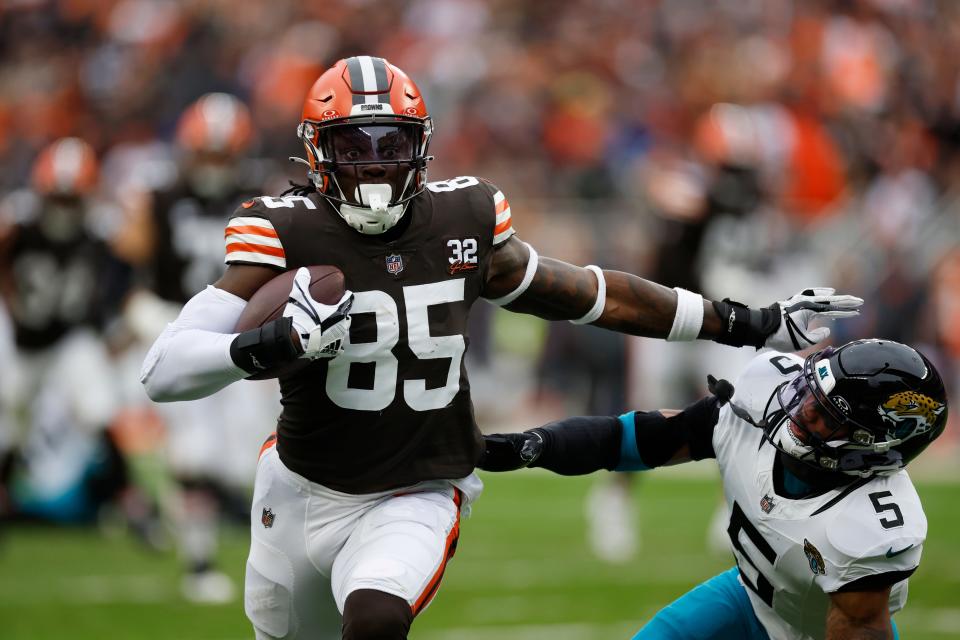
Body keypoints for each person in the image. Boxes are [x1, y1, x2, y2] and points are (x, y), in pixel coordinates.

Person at [140, 56, 862, 640]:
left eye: (391, 144)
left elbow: (592, 294)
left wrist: (749, 321)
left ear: (419, 146)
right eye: (352, 148)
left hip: (418, 487)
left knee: (376, 618)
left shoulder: (462, 221)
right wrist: (271, 343)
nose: (374, 164)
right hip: (301, 487)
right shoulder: (283, 230)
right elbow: (164, 369)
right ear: (317, 154)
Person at [479, 338, 948, 639]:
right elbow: (636, 438)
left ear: (877, 444)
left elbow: (857, 628)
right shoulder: (762, 401)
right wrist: (528, 447)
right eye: (808, 395)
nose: (801, 411)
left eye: (826, 415)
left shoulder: (870, 527)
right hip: (745, 596)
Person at [120, 92, 279, 602]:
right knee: (195, 452)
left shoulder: (259, 195)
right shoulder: (161, 195)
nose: (212, 165)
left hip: (239, 329)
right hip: (182, 322)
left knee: (245, 458)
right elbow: (131, 252)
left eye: (221, 153)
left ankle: (191, 512)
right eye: (206, 153)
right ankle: (199, 563)